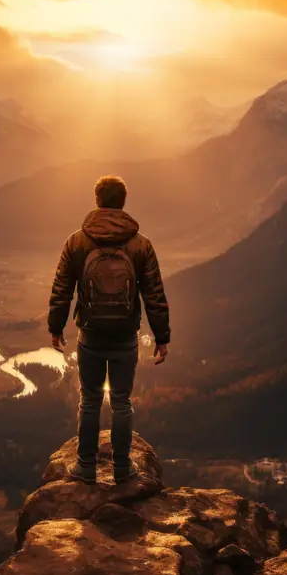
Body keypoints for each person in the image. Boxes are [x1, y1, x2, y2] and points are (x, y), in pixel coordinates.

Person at [48, 174, 170, 484]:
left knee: (89, 400)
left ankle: (86, 467)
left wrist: (56, 326)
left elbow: (62, 288)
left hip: (89, 334)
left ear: (98, 200)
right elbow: (154, 293)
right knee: (121, 401)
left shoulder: (77, 241)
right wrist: (161, 336)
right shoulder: (141, 244)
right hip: (126, 335)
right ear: (122, 202)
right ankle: (121, 467)